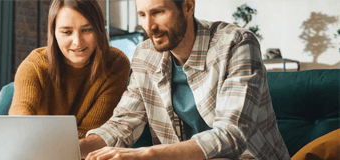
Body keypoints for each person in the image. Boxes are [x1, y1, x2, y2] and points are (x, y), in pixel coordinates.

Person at [79, 0, 290, 159]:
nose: (149, 26)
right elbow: (123, 123)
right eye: (142, 15)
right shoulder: (145, 54)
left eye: (158, 12)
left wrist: (145, 155)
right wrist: (72, 149)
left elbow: (231, 135)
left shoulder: (236, 43)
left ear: (188, 6)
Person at [9, 0, 130, 139]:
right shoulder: (34, 65)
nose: (78, 42)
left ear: (99, 30)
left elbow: (91, 135)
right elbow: (19, 122)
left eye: (87, 30)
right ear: (53, 32)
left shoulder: (116, 63)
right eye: (66, 32)